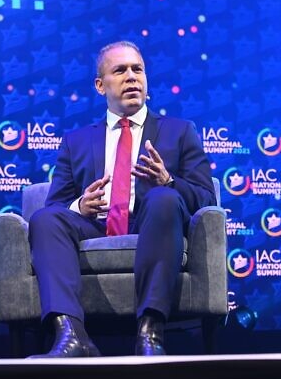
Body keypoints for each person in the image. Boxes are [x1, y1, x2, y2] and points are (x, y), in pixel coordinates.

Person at [27, 40, 216, 357]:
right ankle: (72, 336)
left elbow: (206, 199)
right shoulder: (76, 141)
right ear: (100, 85)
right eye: (120, 70)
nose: (131, 77)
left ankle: (150, 332)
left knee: (163, 198)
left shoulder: (180, 131)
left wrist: (168, 181)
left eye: (137, 69)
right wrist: (79, 206)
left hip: (153, 224)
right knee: (45, 219)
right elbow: (56, 206)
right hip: (97, 226)